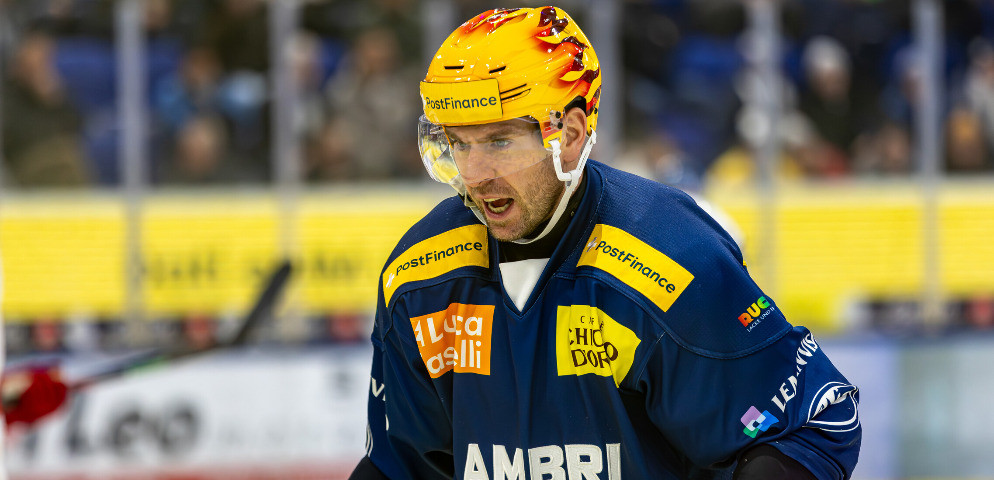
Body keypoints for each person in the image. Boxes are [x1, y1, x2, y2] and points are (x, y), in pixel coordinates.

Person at [350, 7, 861, 480]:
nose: (475, 173)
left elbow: (815, 424)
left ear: (571, 135)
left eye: (499, 141)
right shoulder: (419, 279)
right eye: (459, 143)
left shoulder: (673, 262)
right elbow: (398, 467)